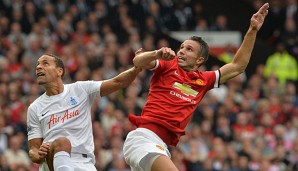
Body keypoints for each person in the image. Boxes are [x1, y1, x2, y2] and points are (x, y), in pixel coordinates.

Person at [123, 3, 269, 171]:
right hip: (144, 139)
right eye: (182, 47)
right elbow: (137, 61)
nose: (182, 51)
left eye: (189, 49)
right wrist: (157, 53)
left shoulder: (203, 81)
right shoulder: (167, 66)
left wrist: (252, 30)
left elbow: (238, 66)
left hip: (161, 146)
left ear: (199, 60)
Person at [27, 53, 142, 171]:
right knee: (62, 142)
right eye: (37, 64)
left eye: (45, 63)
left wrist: (136, 68)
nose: (38, 67)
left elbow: (118, 82)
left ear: (59, 71)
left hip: (84, 163)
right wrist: (38, 155)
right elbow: (33, 149)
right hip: (53, 162)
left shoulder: (80, 89)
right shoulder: (35, 107)